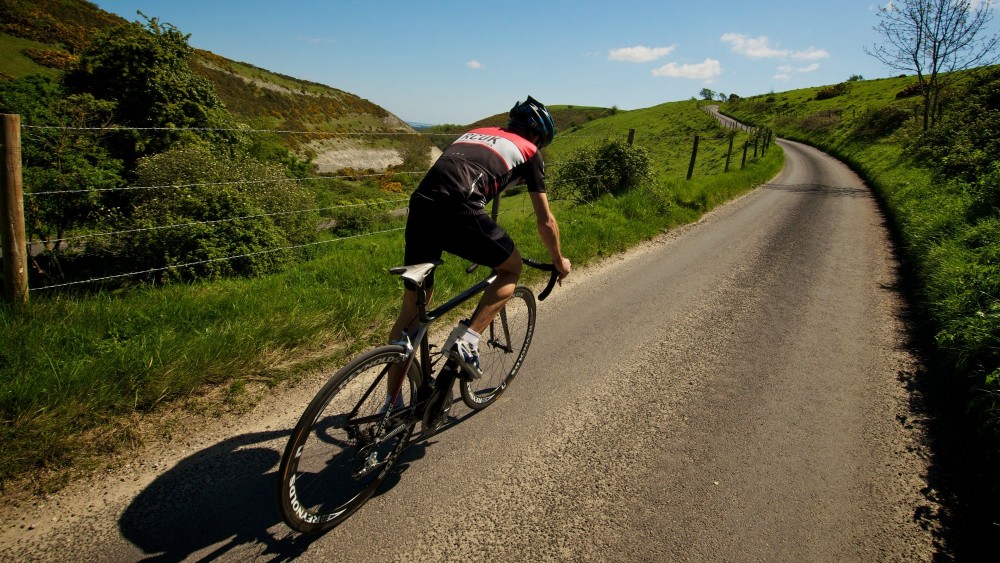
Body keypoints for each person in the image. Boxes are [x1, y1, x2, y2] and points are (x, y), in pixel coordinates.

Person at [386, 96, 571, 403]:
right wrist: (558, 261)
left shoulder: (476, 132)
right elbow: (546, 221)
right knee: (510, 268)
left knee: (412, 311)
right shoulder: (531, 152)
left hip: (421, 206)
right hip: (461, 207)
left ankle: (389, 407)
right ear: (538, 136)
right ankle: (468, 342)